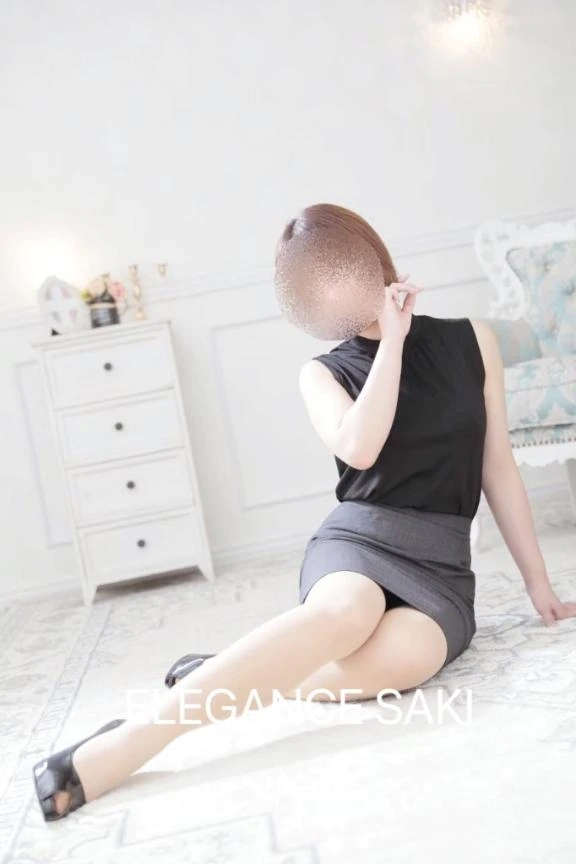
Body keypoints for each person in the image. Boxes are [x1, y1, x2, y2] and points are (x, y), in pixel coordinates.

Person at [33, 204, 576, 821]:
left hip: (440, 565)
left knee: (415, 657)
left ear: (370, 259)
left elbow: (497, 466)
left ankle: (228, 672)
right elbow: (361, 447)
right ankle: (124, 745)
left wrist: (539, 584)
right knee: (347, 613)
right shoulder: (321, 374)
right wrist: (392, 344)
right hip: (360, 543)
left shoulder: (472, 341)